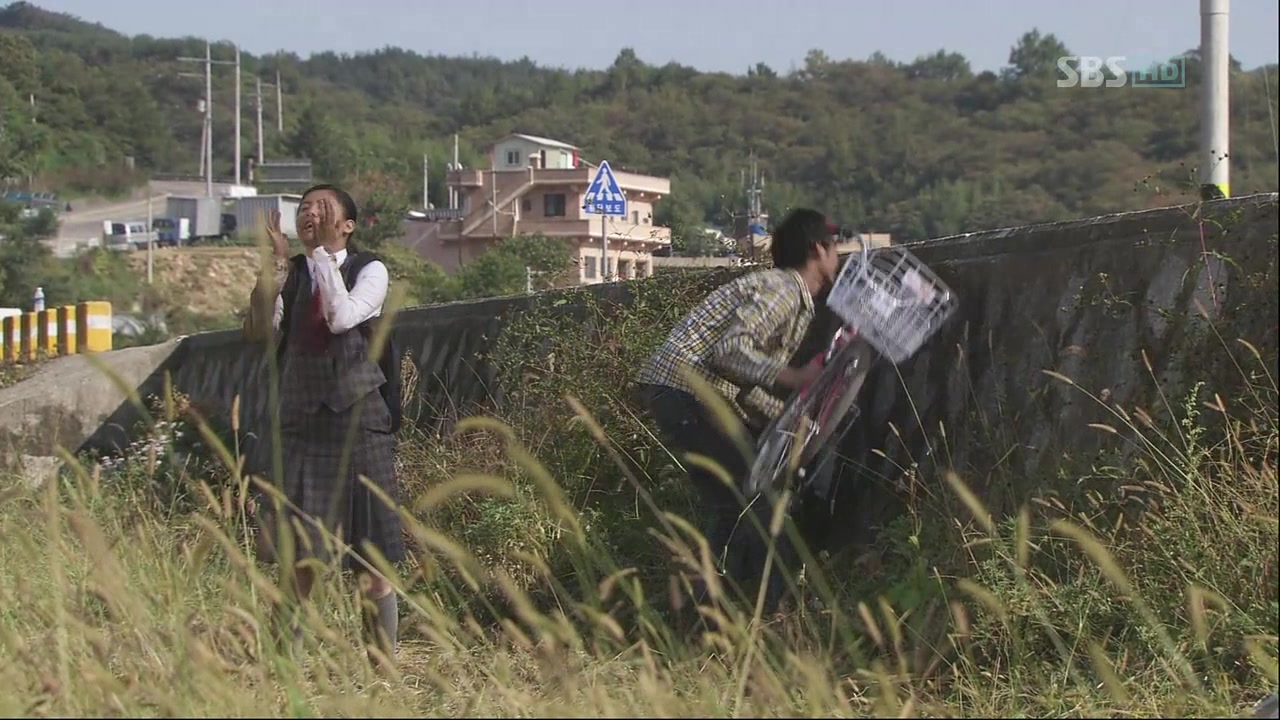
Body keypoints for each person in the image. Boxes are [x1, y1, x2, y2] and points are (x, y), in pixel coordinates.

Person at [634, 207, 841, 616]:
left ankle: (703, 612)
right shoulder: (784, 290)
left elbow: (743, 381)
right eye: (835, 247)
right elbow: (729, 351)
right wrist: (795, 378)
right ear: (818, 249)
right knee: (756, 497)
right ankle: (768, 609)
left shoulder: (788, 296)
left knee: (735, 502)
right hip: (685, 391)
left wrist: (787, 417)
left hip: (683, 391)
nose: (837, 256)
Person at [242, 183, 403, 668]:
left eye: (323, 208)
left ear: (347, 225)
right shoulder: (291, 274)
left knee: (372, 560)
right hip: (302, 423)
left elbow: (340, 317)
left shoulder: (369, 269)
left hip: (358, 422)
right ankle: (284, 667)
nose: (311, 214)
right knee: (299, 558)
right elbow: (258, 332)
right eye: (305, 208)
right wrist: (275, 268)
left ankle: (382, 670)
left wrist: (323, 256)